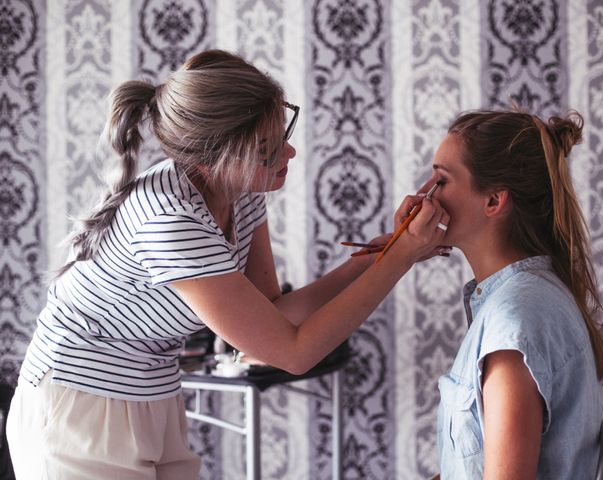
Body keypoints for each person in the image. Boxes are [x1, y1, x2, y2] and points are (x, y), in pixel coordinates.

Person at [6, 49, 450, 479]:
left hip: (152, 393)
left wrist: (382, 254)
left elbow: (273, 314)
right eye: (266, 148)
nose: (289, 154)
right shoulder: (170, 220)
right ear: (214, 156)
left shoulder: (239, 193)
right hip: (79, 407)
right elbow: (291, 353)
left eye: (283, 135)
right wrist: (400, 260)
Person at [426, 109, 603, 479]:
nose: (424, 195)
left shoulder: (514, 323)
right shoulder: (527, 300)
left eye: (441, 181)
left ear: (494, 201)